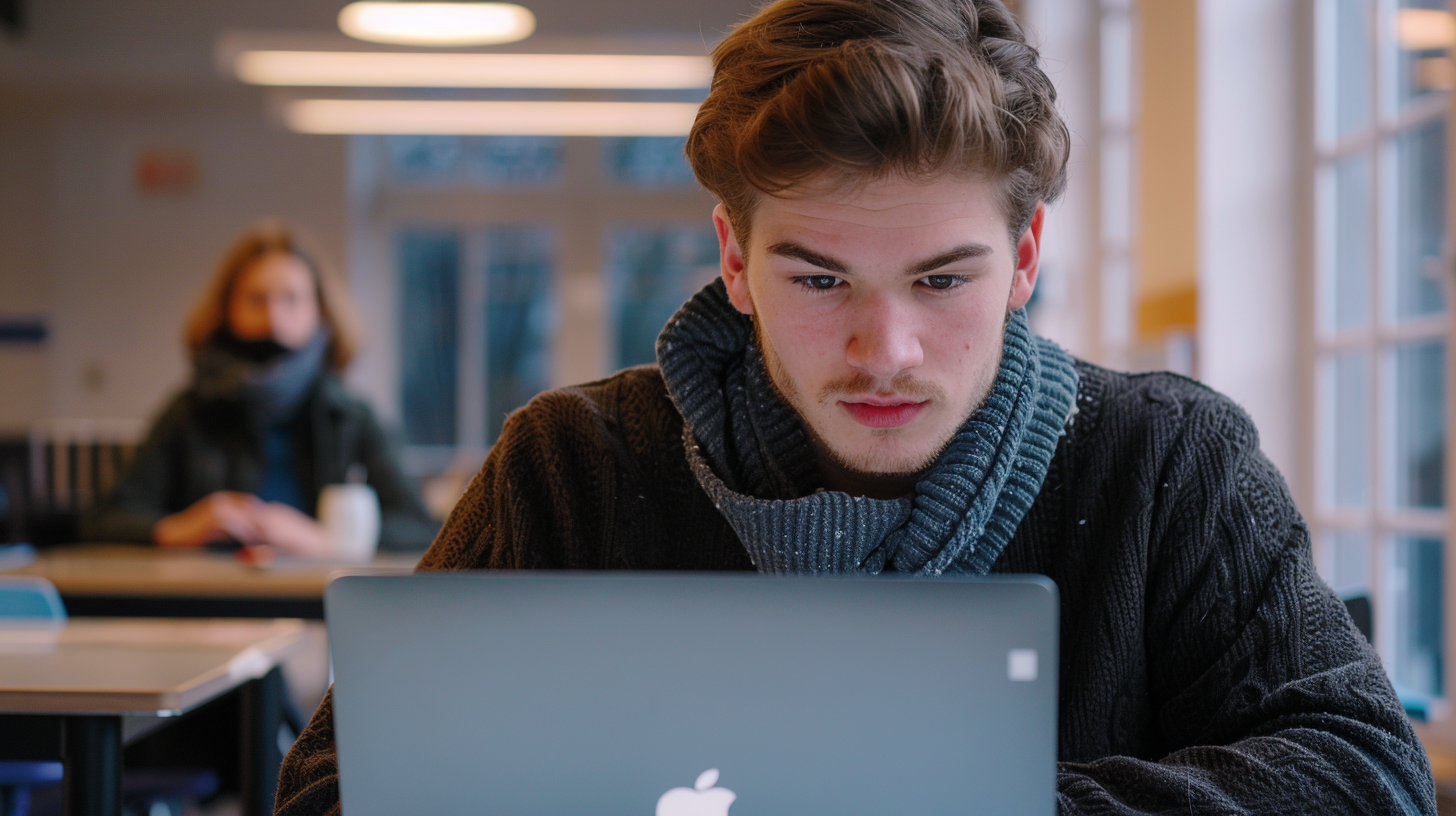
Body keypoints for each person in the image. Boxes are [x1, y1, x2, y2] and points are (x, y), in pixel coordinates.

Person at [277, 1, 1435, 813]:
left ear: (1025, 253)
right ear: (733, 258)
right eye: (819, 280)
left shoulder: (1166, 460)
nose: (886, 349)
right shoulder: (573, 464)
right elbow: (339, 788)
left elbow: (1362, 777)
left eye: (943, 279)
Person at [84, 221, 438, 557]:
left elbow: (419, 528)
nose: (274, 318)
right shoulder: (191, 411)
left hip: (318, 602)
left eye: (291, 299)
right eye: (257, 299)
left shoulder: (349, 418)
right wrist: (179, 529)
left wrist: (325, 540)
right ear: (227, 310)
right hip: (210, 605)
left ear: (320, 310)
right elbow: (104, 520)